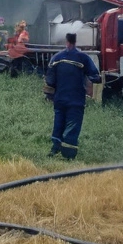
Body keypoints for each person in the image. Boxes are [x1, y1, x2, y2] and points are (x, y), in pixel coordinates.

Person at [45, 31, 100, 160]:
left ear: (66, 41)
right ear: (75, 42)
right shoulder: (83, 57)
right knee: (72, 124)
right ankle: (68, 154)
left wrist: (49, 95)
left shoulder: (56, 58)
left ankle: (55, 149)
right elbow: (95, 76)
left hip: (59, 99)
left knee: (58, 123)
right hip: (76, 100)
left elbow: (50, 80)